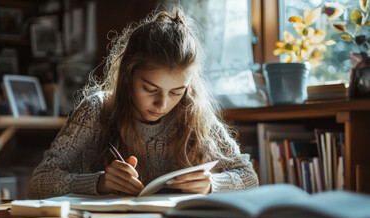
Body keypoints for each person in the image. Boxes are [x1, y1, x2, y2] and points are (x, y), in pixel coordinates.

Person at [28, 8, 258, 199]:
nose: (162, 103)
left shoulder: (193, 112)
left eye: (177, 91)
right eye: (150, 89)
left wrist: (211, 183)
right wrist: (98, 182)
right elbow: (39, 182)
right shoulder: (96, 110)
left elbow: (249, 178)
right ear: (128, 75)